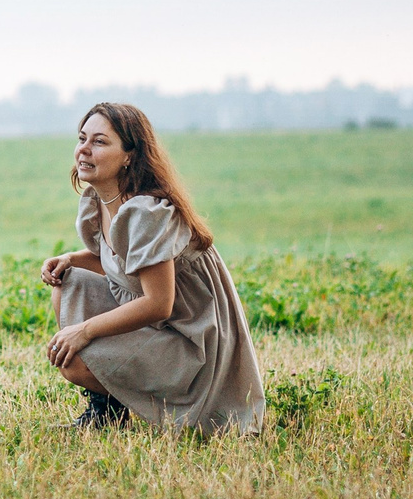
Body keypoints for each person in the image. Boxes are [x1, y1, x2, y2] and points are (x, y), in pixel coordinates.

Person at [39, 101, 265, 433]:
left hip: (190, 341)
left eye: (100, 142)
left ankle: (135, 405)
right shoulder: (102, 200)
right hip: (164, 326)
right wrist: (72, 259)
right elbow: (124, 265)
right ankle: (107, 413)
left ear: (130, 155)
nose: (84, 150)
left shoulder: (146, 213)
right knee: (69, 281)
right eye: (82, 138)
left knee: (73, 360)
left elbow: (159, 304)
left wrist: (84, 331)